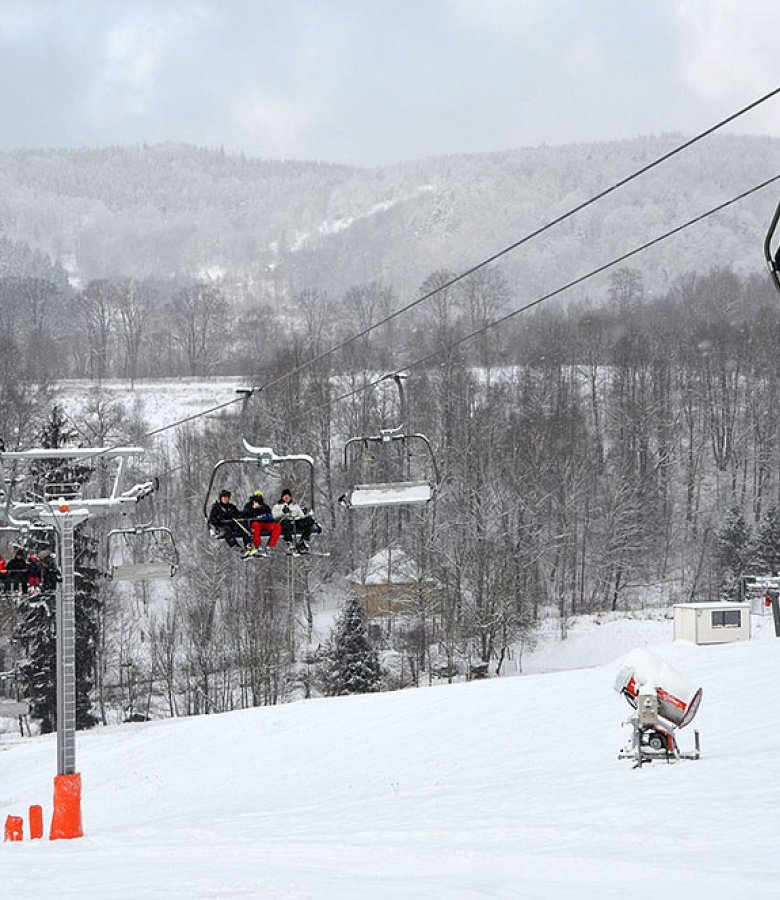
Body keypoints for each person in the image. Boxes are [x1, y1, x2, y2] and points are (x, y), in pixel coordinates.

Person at [272, 488, 320, 554]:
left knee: (309, 520)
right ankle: (290, 543)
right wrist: (283, 512)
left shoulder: (295, 505)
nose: (286, 497)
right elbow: (275, 517)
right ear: (282, 497)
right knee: (286, 524)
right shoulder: (277, 506)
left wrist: (306, 516)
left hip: (295, 521)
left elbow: (301, 515)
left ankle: (302, 541)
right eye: (285, 496)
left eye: (288, 496)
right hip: (285, 522)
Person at [241, 490, 282, 557]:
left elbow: (271, 515)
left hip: (266, 523)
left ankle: (270, 546)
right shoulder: (249, 505)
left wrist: (267, 516)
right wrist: (253, 509)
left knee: (277, 526)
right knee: (255, 525)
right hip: (255, 523)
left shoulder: (265, 506)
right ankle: (257, 545)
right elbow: (244, 515)